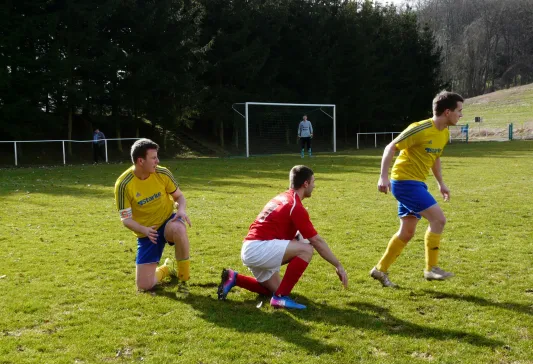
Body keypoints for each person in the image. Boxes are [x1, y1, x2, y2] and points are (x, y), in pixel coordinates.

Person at [217, 165, 348, 309]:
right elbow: (316, 241)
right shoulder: (295, 206)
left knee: (273, 289)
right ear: (306, 183)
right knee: (307, 249)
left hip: (252, 247)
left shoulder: (283, 197)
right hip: (258, 248)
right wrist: (338, 265)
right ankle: (281, 298)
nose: (314, 186)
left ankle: (234, 278)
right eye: (313, 181)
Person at [370, 91, 464, 288]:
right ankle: (431, 268)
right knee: (438, 220)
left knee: (407, 232)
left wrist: (441, 183)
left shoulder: (444, 132)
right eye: (459, 111)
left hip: (417, 183)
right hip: (404, 182)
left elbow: (435, 158)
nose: (461, 115)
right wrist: (383, 176)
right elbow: (391, 147)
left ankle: (380, 269)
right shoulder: (420, 128)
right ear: (447, 112)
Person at [114, 139, 192, 293]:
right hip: (147, 233)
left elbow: (179, 197)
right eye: (154, 158)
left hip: (167, 221)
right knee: (144, 286)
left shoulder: (162, 173)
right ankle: (167, 269)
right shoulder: (124, 184)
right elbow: (126, 219)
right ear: (140, 161)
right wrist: (145, 230)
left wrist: (181, 210)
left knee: (178, 228)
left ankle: (184, 281)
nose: (158, 161)